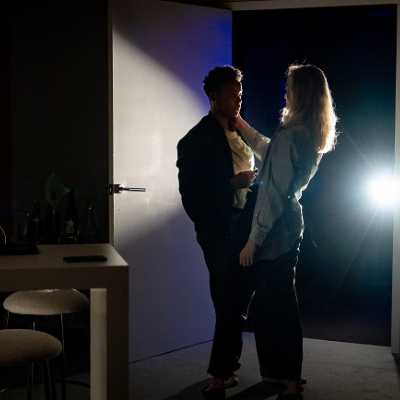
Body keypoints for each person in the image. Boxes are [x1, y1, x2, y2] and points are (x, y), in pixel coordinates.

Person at [233, 64, 338, 400]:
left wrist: (254, 239)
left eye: (290, 86)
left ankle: (286, 379)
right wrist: (243, 126)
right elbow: (271, 152)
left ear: (301, 93)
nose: (285, 92)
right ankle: (285, 377)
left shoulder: (293, 135)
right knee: (280, 304)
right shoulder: (307, 132)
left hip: (276, 228)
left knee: (275, 307)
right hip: (291, 225)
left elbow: (274, 193)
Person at [176, 66, 259, 399]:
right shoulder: (196, 140)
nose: (238, 97)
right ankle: (219, 374)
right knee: (226, 298)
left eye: (240, 91)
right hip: (220, 230)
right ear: (213, 96)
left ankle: (225, 369)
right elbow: (191, 195)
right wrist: (230, 185)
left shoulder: (240, 131)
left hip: (247, 225)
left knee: (238, 299)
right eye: (232, 92)